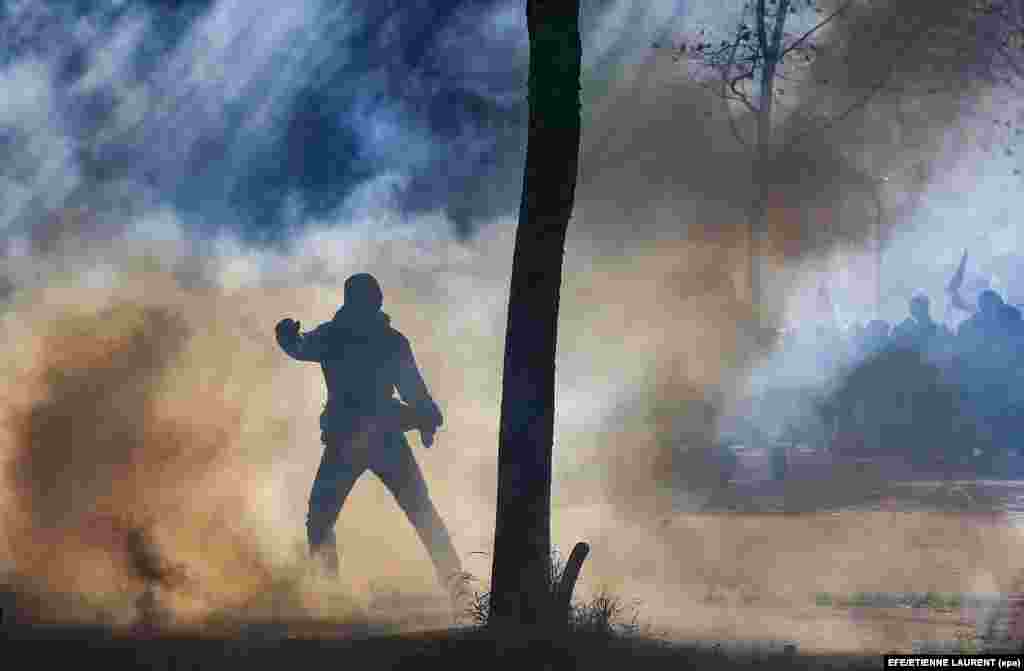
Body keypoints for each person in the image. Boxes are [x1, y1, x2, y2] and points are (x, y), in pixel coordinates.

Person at [275, 273, 464, 599]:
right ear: (373, 301)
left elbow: (300, 347)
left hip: (354, 439)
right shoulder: (384, 339)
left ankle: (329, 594)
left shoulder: (344, 336)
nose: (372, 303)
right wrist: (426, 418)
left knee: (322, 518)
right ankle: (458, 589)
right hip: (377, 438)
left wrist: (287, 338)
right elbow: (415, 393)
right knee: (419, 512)